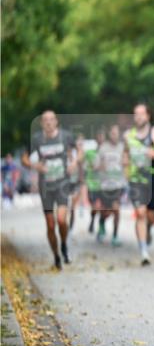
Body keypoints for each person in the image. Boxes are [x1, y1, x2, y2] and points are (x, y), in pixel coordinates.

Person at [21, 110, 76, 269]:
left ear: (56, 121)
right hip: (45, 187)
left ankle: (64, 243)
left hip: (62, 184)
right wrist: (34, 165)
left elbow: (78, 151)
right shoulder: (37, 139)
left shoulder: (65, 136)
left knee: (61, 220)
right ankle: (56, 256)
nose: (49, 122)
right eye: (45, 120)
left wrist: (74, 163)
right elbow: (24, 158)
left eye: (52, 119)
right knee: (51, 225)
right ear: (41, 123)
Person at [125, 103, 154, 266]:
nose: (138, 117)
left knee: (150, 215)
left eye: (141, 114)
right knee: (140, 213)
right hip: (136, 180)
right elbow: (125, 156)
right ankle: (143, 251)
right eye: (136, 114)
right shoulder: (128, 136)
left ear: (148, 116)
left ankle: (149, 229)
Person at [96, 124, 127, 246]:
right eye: (113, 133)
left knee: (116, 209)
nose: (115, 135)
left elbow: (126, 162)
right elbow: (97, 165)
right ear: (109, 134)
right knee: (106, 211)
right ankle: (102, 222)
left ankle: (115, 236)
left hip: (118, 184)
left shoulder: (122, 147)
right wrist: (100, 166)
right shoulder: (103, 148)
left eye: (117, 133)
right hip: (105, 185)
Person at [80, 129, 102, 234]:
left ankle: (101, 224)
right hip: (92, 184)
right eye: (99, 137)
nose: (101, 139)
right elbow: (82, 164)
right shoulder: (89, 153)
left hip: (105, 185)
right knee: (95, 206)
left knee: (103, 207)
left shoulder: (108, 152)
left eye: (103, 137)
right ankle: (93, 220)